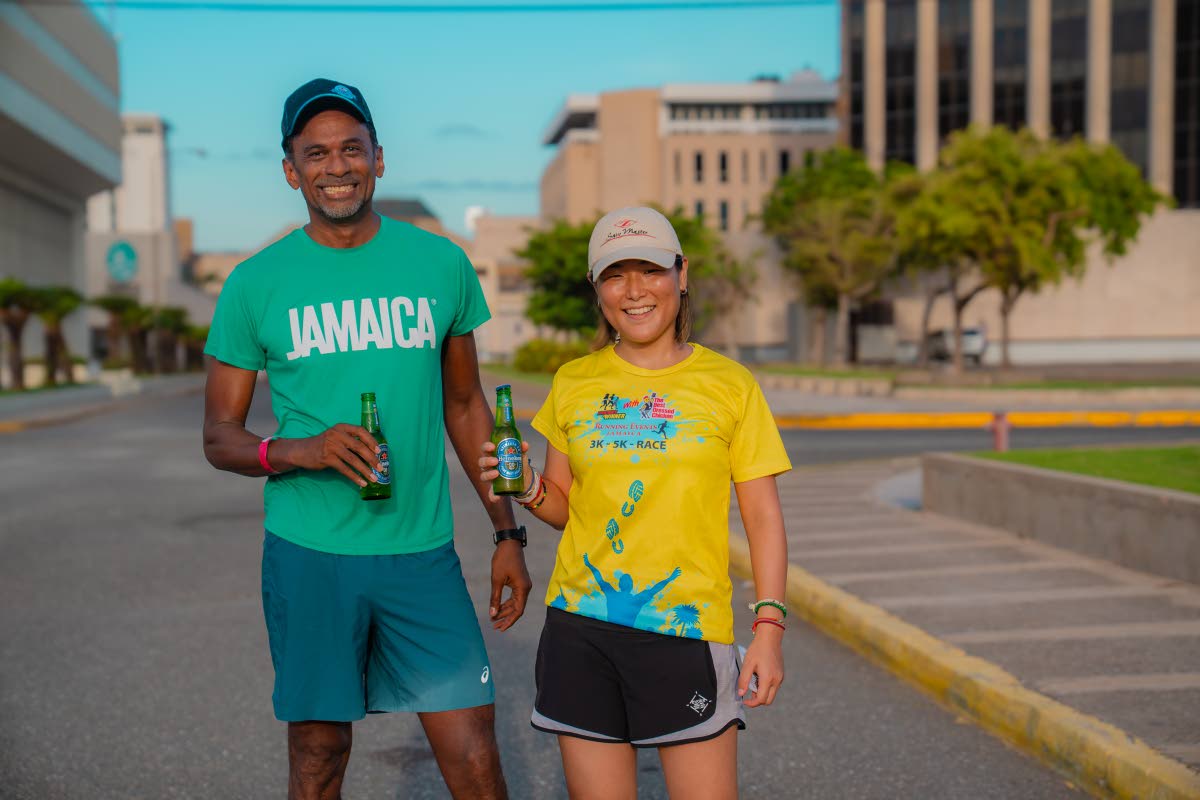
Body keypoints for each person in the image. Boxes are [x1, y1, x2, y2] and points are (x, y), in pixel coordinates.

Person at [202, 77, 531, 800]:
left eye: (352, 148)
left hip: (420, 552)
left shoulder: (439, 264)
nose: (336, 165)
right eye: (315, 153)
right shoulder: (256, 283)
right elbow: (220, 437)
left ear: (380, 158)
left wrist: (509, 533)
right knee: (318, 754)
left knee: (474, 750)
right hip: (310, 553)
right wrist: (301, 450)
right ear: (291, 170)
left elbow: (466, 404)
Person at [479, 206, 792, 799]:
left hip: (686, 630)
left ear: (681, 273)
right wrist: (526, 489)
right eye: (614, 274)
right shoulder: (573, 382)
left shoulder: (730, 385)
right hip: (582, 630)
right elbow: (565, 507)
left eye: (648, 270)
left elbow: (763, 517)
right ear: (596, 288)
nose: (634, 290)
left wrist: (769, 628)